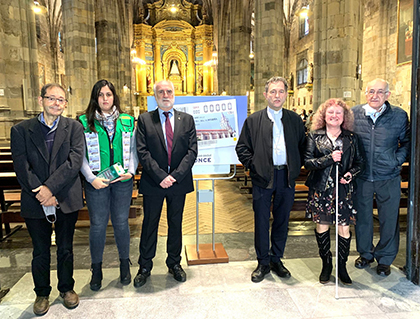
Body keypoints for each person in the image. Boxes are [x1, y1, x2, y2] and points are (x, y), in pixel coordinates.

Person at [10, 83, 84, 315]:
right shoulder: (21, 130)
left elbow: (74, 162)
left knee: (65, 248)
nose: (56, 103)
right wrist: (41, 192)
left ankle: (67, 289)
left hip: (64, 197)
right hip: (35, 198)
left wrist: (50, 189)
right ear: (41, 100)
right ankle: (42, 293)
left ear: (65, 104)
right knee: (40, 250)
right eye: (51, 98)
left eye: (61, 100)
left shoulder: (74, 127)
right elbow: (22, 167)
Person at [236, 76, 306, 283]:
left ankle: (277, 259)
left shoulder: (294, 120)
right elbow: (242, 148)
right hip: (262, 177)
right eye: (273, 92)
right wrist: (254, 166)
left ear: (286, 94)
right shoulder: (253, 120)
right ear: (265, 95)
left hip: (286, 176)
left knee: (282, 220)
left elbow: (303, 146)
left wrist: (295, 165)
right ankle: (263, 262)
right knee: (261, 221)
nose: (277, 95)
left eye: (281, 91)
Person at [134, 80, 197, 287]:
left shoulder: (187, 120)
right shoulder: (144, 120)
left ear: (174, 94)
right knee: (150, 224)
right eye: (161, 92)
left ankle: (174, 263)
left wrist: (175, 176)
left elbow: (192, 151)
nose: (165, 94)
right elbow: (142, 151)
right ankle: (144, 266)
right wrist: (161, 176)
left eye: (169, 91)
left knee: (176, 223)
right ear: (155, 96)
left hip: (178, 182)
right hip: (154, 182)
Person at [79, 79, 138, 291]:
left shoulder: (127, 121)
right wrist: (90, 178)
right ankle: (96, 269)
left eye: (109, 94)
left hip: (122, 181)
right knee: (98, 225)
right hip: (97, 182)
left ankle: (125, 265)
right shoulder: (84, 122)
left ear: (114, 97)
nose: (105, 99)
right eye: (101, 95)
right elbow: (80, 155)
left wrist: (131, 171)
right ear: (96, 98)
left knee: (122, 223)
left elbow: (133, 151)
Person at [352, 78, 410, 276]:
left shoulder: (399, 116)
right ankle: (365, 254)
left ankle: (385, 259)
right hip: (362, 177)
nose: (374, 96)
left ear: (387, 95)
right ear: (365, 93)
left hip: (389, 175)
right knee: (363, 218)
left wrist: (396, 160)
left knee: (389, 218)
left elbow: (407, 142)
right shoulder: (354, 114)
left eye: (379, 92)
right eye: (371, 91)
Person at [304, 98, 365, 285]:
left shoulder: (352, 138)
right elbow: (307, 163)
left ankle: (342, 266)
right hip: (321, 189)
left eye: (339, 113)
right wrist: (329, 158)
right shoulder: (314, 136)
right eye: (331, 112)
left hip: (343, 189)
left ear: (344, 116)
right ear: (324, 115)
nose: (334, 116)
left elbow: (360, 163)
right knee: (322, 226)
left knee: (343, 228)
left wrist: (350, 175)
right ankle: (326, 265)